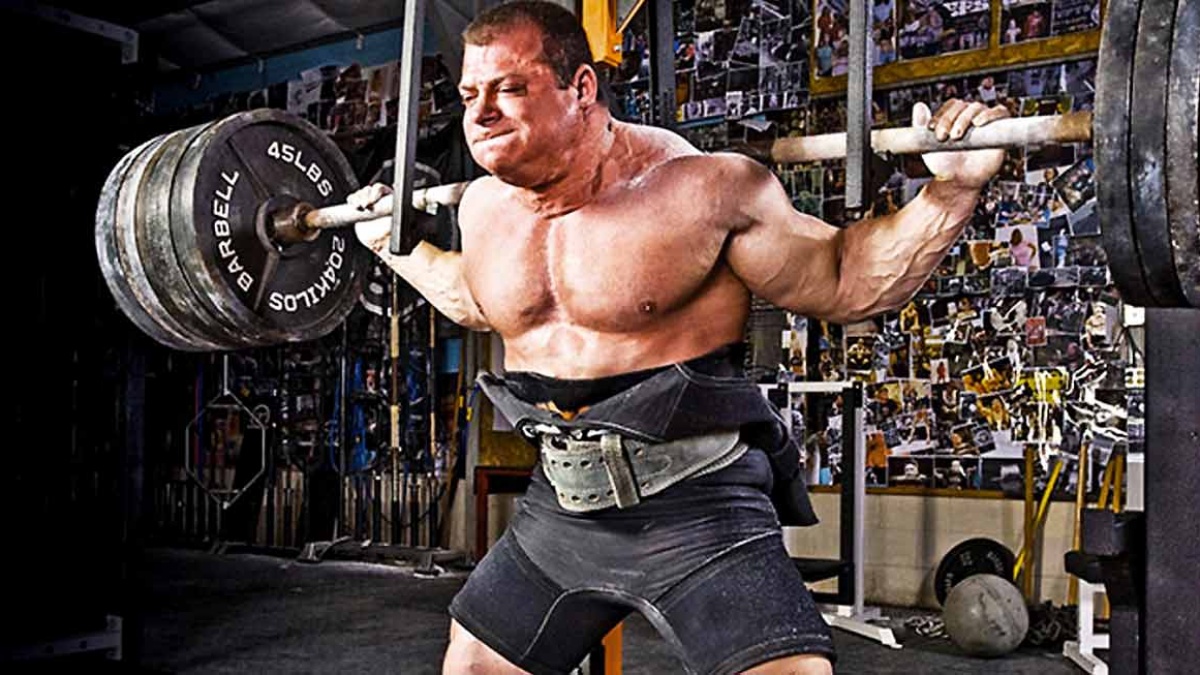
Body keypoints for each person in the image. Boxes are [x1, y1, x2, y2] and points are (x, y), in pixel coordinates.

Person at [349, 3, 1009, 672]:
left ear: (582, 87)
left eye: (510, 88)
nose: (482, 114)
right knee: (472, 667)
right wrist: (390, 246)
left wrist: (951, 192)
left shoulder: (699, 191)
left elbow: (843, 278)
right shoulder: (485, 207)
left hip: (698, 503)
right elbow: (478, 298)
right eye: (470, 95)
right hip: (562, 507)